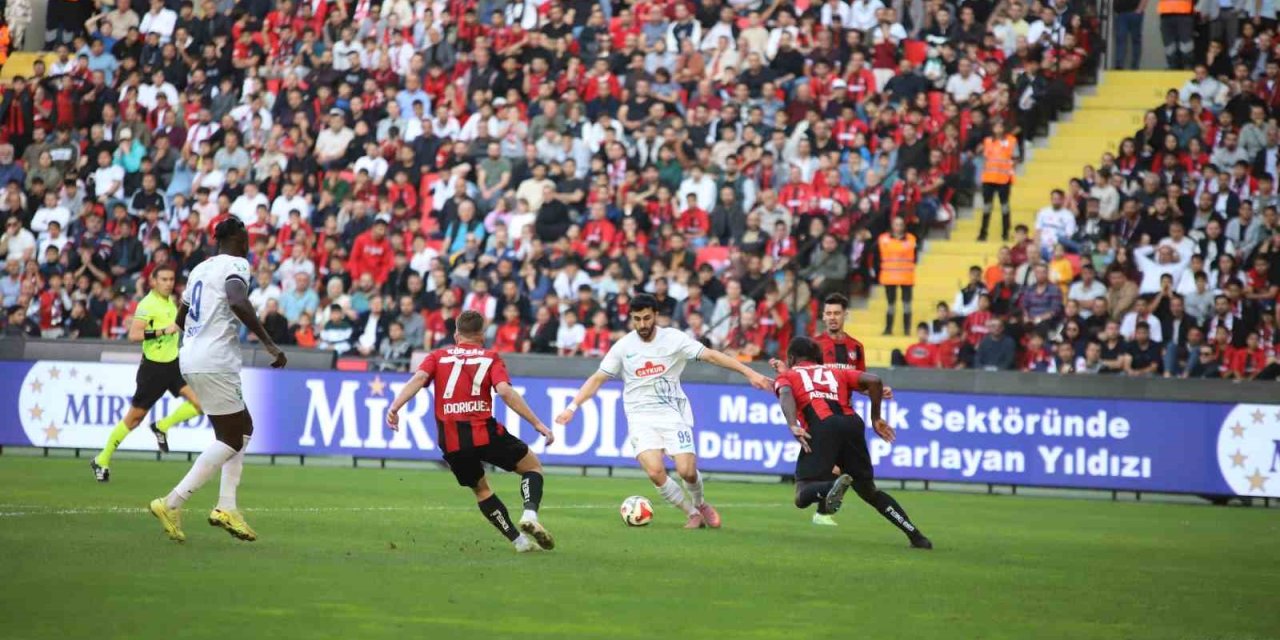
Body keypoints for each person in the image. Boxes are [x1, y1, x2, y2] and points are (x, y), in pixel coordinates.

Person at [554, 293, 773, 529]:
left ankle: (700, 503)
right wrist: (572, 407)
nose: (642, 324)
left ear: (656, 315)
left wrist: (751, 373)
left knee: (687, 471)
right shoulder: (623, 346)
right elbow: (597, 378)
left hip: (672, 413)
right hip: (639, 417)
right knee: (655, 471)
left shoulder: (674, 339)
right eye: (637, 319)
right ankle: (691, 514)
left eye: (647, 318)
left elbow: (710, 355)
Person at [148, 217, 288, 544]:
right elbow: (237, 300)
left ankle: (227, 506)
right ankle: (172, 502)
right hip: (215, 358)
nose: (250, 242)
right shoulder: (237, 264)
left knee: (243, 428)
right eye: (247, 236)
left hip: (192, 354)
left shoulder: (200, 268)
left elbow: (181, 318)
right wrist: (269, 343)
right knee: (231, 437)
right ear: (238, 238)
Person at [384, 310, 557, 553]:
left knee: (482, 490)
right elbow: (506, 392)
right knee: (532, 468)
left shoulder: (437, 355)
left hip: (452, 439)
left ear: (456, 334)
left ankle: (519, 542)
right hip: (484, 431)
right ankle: (529, 513)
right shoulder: (490, 357)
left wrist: (395, 407)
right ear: (482, 335)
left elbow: (419, 377)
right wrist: (537, 424)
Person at [773, 337, 932, 548]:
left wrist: (792, 423)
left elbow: (785, 393)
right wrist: (876, 418)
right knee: (869, 491)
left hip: (822, 426)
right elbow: (874, 380)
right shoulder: (835, 371)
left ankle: (832, 486)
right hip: (852, 425)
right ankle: (916, 536)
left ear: (791, 358)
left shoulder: (788, 375)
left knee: (802, 494)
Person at [90, 265, 204, 481]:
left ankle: (162, 426)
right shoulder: (147, 304)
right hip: (153, 370)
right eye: (164, 279)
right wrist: (163, 331)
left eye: (171, 279)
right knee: (134, 419)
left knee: (202, 404)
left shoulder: (169, 301)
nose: (168, 283)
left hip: (173, 365)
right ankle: (102, 459)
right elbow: (133, 334)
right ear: (153, 281)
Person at [877, 216, 918, 335]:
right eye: (896, 224)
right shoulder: (883, 238)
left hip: (906, 277)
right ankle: (888, 329)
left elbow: (913, 255)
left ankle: (907, 330)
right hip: (889, 276)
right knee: (891, 304)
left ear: (904, 226)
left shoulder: (911, 239)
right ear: (892, 225)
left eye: (901, 224)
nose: (898, 227)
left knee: (907, 304)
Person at [978, 120, 1016, 242]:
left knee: (1004, 207)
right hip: (989, 178)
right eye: (996, 125)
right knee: (987, 207)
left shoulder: (1011, 140)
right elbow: (985, 158)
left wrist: (1011, 170)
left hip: (1004, 179)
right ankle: (983, 234)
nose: (998, 128)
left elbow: (1015, 157)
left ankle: (1005, 233)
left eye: (1000, 125)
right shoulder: (988, 141)